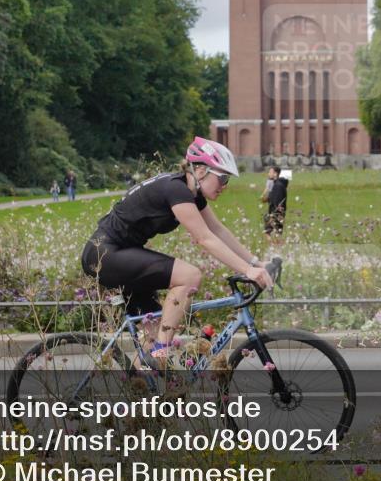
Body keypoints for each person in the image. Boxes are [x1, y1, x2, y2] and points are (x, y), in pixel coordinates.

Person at [81, 137, 273, 365]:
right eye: (222, 177)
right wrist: (247, 271)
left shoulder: (191, 194)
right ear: (200, 170)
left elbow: (218, 231)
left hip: (121, 252)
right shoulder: (176, 190)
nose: (224, 185)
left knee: (154, 333)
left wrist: (254, 262)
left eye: (227, 179)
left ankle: (143, 384)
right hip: (104, 254)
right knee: (189, 276)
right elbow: (204, 238)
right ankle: (159, 354)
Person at [264, 167, 289, 240]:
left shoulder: (278, 185)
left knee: (268, 232)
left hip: (275, 213)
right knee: (277, 233)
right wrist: (268, 199)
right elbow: (275, 197)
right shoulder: (277, 184)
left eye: (270, 172)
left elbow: (278, 201)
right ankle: (277, 249)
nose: (269, 174)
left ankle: (274, 248)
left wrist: (274, 214)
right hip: (278, 213)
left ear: (275, 174)